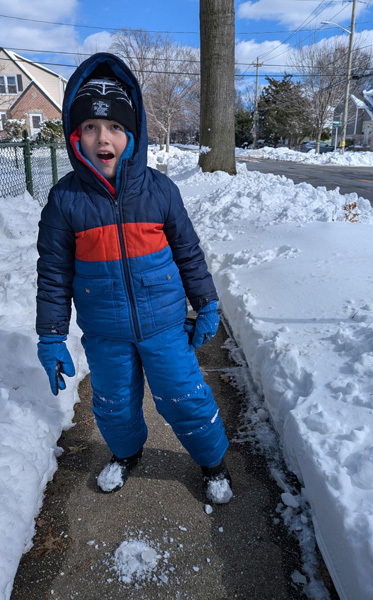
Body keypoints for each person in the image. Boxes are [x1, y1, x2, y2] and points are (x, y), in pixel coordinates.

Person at [36, 52, 232, 504]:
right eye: (90, 127)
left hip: (164, 325)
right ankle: (126, 454)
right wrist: (50, 336)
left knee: (185, 397)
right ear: (74, 134)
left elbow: (188, 253)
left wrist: (206, 303)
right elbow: (53, 273)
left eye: (115, 128)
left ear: (133, 134)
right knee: (114, 404)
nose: (103, 138)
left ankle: (213, 463)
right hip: (105, 333)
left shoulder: (160, 190)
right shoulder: (65, 200)